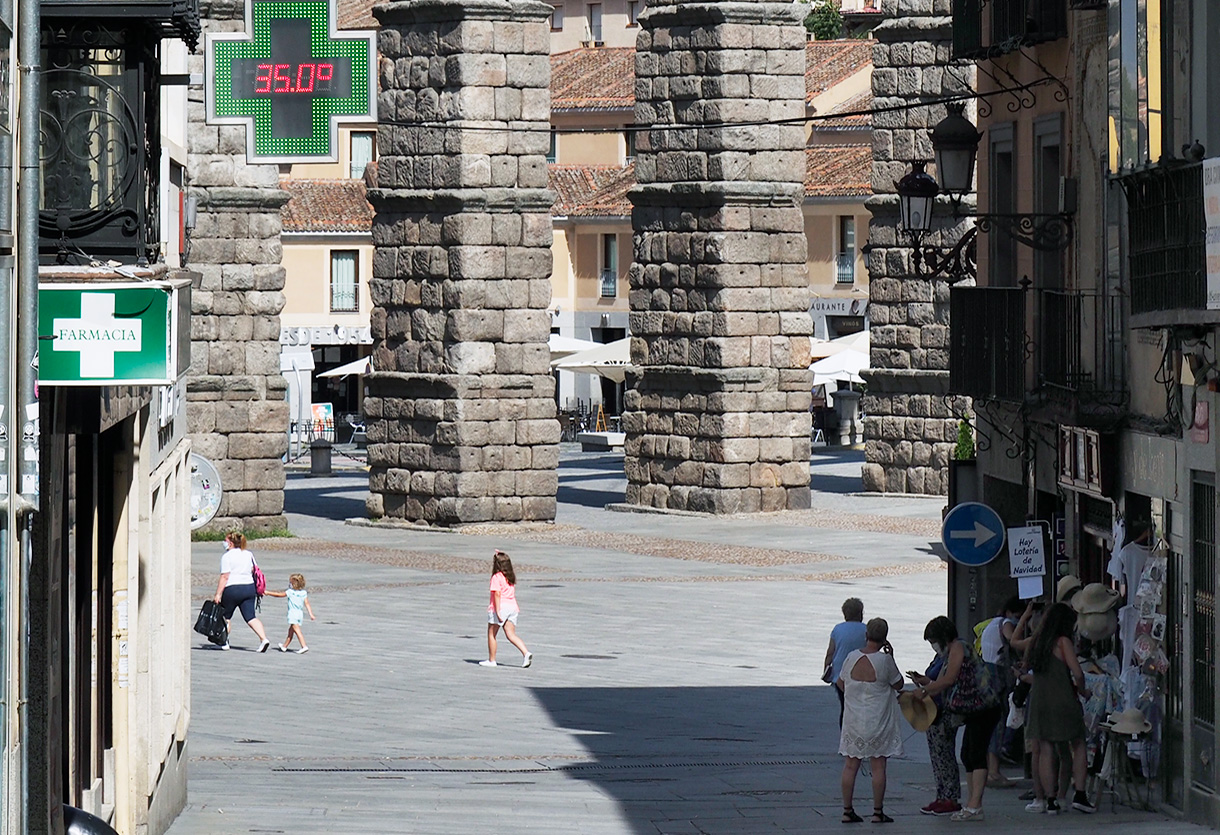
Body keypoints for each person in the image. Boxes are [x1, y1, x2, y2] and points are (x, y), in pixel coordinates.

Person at [909, 616, 1002, 822]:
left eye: (933, 640)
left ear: (942, 637)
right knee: (967, 754)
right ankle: (971, 803)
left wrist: (924, 690)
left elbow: (949, 679)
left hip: (984, 707)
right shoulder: (951, 652)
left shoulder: (958, 647)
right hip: (974, 709)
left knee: (976, 754)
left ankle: (975, 805)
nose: (933, 646)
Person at [1024, 602, 1096, 815]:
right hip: (1063, 699)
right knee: (1078, 743)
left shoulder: (1037, 642)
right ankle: (1080, 795)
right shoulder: (1063, 642)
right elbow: (1078, 673)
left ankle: (1051, 800)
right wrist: (1083, 691)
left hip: (1040, 701)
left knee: (1046, 749)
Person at [838, 618, 904, 824]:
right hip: (877, 721)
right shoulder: (885, 661)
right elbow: (899, 684)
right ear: (885, 639)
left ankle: (847, 811)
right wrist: (891, 656)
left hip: (853, 720)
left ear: (866, 635)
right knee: (878, 767)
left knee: (850, 765)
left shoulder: (851, 657)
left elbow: (841, 683)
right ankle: (877, 812)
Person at [979, 595, 1023, 787]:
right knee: (998, 723)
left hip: (987, 675)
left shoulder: (991, 624)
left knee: (991, 723)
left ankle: (991, 770)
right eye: (1017, 615)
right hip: (998, 677)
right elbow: (1013, 640)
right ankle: (994, 772)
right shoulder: (1005, 623)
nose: (1017, 620)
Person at [212, 531, 270, 652]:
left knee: (225, 616)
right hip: (249, 588)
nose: (224, 543)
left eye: (226, 541)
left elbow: (225, 576)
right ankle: (263, 639)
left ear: (231, 543)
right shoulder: (248, 554)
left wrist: (218, 594)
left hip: (232, 588)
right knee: (251, 617)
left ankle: (224, 641)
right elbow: (254, 569)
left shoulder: (227, 556)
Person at [480, 550, 532, 668]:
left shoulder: (496, 577)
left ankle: (492, 660)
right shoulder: (510, 577)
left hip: (501, 607)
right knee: (511, 634)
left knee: (491, 634)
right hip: (513, 607)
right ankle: (526, 653)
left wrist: (497, 611)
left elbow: (497, 594)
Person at [824, 597, 868, 725]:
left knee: (845, 706)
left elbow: (830, 652)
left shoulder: (837, 629)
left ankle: (845, 733)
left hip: (839, 674)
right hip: (861, 673)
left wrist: (826, 668)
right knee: (859, 706)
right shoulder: (866, 629)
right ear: (860, 613)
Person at [265, 573, 315, 654]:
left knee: (297, 631)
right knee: (291, 631)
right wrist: (311, 614)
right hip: (299, 614)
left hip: (292, 614)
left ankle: (304, 646)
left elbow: (279, 595)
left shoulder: (290, 592)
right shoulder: (303, 593)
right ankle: (284, 646)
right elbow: (307, 604)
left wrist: (268, 593)